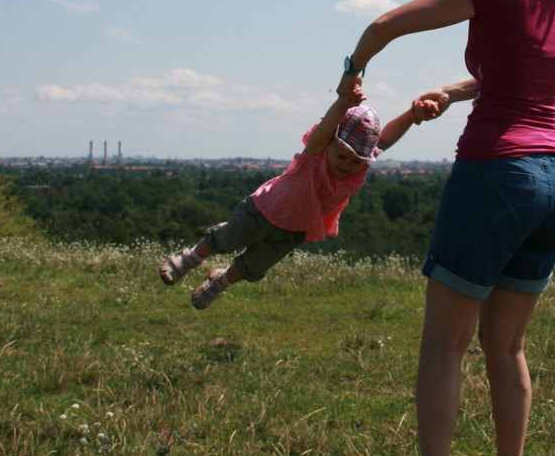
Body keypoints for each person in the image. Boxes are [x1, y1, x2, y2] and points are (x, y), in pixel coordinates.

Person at [338, 0, 555, 456]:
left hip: (495, 174)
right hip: (554, 179)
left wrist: (351, 71)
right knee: (506, 348)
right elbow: (519, 72)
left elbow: (384, 24)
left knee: (445, 346)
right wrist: (454, 90)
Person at [157, 90, 417, 309]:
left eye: (356, 160)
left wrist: (413, 115)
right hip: (261, 212)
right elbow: (328, 126)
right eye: (343, 155)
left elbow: (385, 140)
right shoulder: (315, 154)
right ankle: (188, 260)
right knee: (225, 240)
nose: (348, 164)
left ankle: (219, 282)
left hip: (292, 232)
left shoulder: (357, 168)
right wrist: (344, 102)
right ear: (329, 144)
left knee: (252, 267)